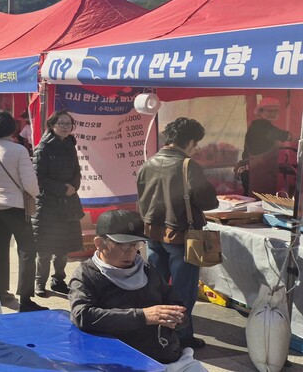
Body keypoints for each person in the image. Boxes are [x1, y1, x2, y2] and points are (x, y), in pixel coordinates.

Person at [70, 210, 207, 370]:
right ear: (99, 243)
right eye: (122, 244)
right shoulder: (86, 275)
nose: (131, 251)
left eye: (136, 244)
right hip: (119, 361)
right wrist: (143, 316)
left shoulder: (147, 269)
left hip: (165, 355)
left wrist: (176, 318)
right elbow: (83, 316)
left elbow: (175, 302)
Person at [137, 117, 219, 349]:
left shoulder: (148, 163)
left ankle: (156, 328)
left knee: (156, 285)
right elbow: (208, 200)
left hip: (153, 233)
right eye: (196, 143)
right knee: (184, 290)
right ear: (190, 141)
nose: (196, 148)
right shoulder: (188, 165)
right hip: (182, 235)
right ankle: (182, 336)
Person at [0, 110, 46, 311]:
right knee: (26, 250)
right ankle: (25, 298)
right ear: (11, 127)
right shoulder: (19, 151)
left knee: (0, 249)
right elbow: (30, 183)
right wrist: (35, 195)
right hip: (17, 206)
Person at [33, 109, 85, 297]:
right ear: (52, 125)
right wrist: (62, 188)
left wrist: (73, 186)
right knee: (45, 248)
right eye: (61, 123)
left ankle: (58, 280)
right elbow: (38, 178)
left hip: (68, 203)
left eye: (68, 124)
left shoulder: (70, 144)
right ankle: (40, 282)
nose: (65, 127)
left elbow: (77, 171)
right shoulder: (43, 148)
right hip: (48, 205)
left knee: (63, 248)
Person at [242, 97, 291, 196]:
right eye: (269, 111)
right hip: (258, 173)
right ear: (260, 111)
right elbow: (286, 136)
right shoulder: (263, 127)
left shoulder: (256, 125)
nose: (272, 113)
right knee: (259, 202)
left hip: (255, 171)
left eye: (275, 111)